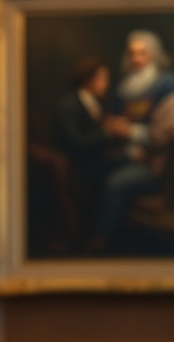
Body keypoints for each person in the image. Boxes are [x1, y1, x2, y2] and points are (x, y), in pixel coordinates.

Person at [92, 29, 174, 250]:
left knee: (116, 184)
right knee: (94, 172)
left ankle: (100, 242)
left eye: (142, 53)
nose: (136, 59)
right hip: (127, 154)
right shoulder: (123, 88)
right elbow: (114, 122)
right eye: (132, 53)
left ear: (153, 54)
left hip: (158, 161)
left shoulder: (168, 85)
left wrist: (132, 132)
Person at [50, 57, 122, 240]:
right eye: (103, 78)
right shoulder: (68, 106)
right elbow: (76, 143)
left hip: (91, 164)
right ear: (89, 79)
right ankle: (98, 236)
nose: (106, 84)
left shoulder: (95, 103)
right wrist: (107, 132)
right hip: (75, 169)